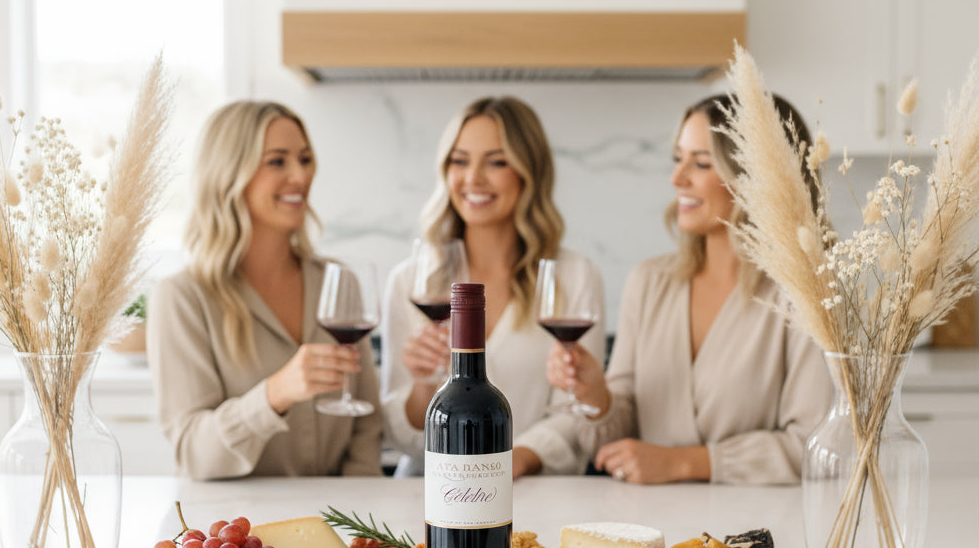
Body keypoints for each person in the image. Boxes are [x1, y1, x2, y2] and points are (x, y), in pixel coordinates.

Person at [549, 93, 830, 485]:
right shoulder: (649, 282)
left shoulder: (806, 293)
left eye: (700, 163)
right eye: (678, 158)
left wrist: (688, 463)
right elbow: (613, 443)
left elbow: (817, 445)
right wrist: (595, 396)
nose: (677, 178)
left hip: (758, 523)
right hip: (648, 518)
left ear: (758, 175)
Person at [148, 100, 382, 480]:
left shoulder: (337, 282)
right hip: (235, 518)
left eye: (305, 160)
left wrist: (358, 505)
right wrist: (274, 395)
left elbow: (367, 428)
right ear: (229, 173)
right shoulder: (183, 298)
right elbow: (193, 453)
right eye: (277, 161)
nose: (300, 176)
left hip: (339, 513)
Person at [381, 96, 605, 478]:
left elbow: (575, 414)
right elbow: (401, 437)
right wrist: (422, 385)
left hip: (530, 487)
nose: (473, 178)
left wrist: (513, 462)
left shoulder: (574, 275)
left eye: (496, 162)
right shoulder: (411, 281)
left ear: (529, 172)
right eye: (459, 160)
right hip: (432, 491)